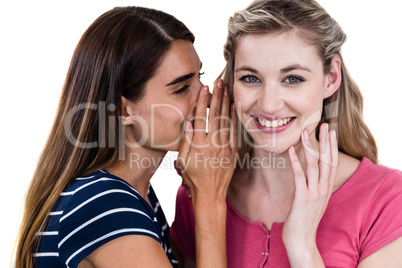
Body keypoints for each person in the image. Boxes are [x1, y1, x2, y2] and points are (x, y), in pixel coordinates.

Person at [171, 0, 402, 267]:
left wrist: (301, 245)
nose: (269, 104)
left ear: (331, 78)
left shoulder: (387, 199)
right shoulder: (201, 193)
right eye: (250, 78)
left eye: (292, 79)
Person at [15, 6, 239, 268]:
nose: (207, 98)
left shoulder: (134, 194)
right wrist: (209, 197)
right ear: (123, 110)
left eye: (199, 78)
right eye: (181, 89)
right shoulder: (104, 205)